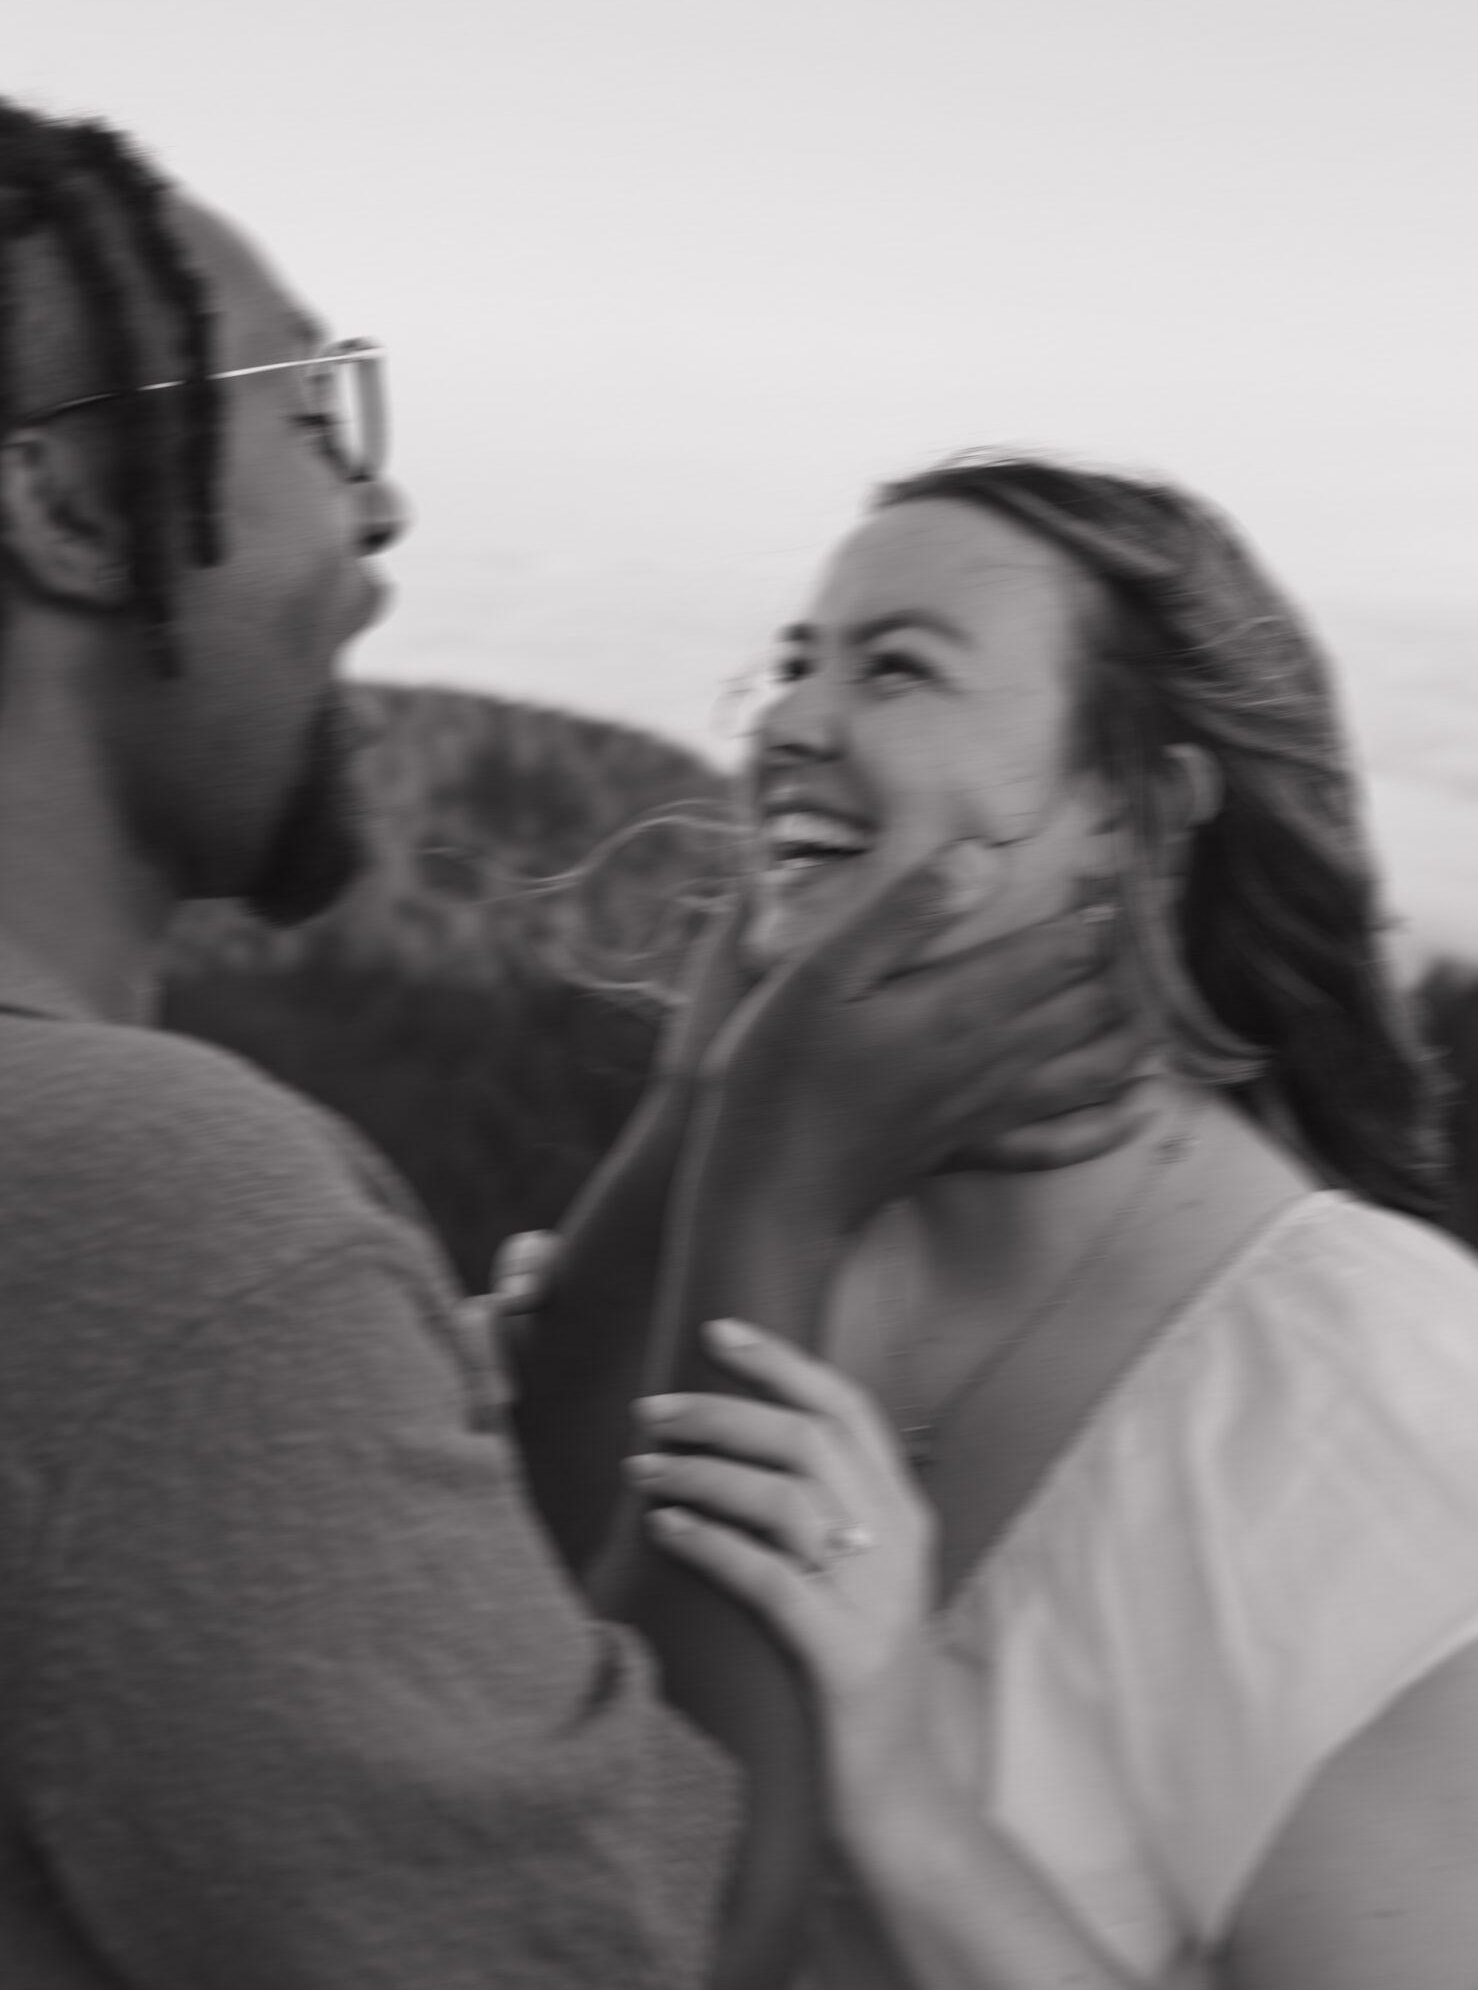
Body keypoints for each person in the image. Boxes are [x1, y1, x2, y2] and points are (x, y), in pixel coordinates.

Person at [0, 89, 1130, 1990]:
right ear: (68, 508)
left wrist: (698, 1121)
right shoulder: (113, 1203)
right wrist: (782, 1194)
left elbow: (422, 1625)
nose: (379, 507)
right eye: (310, 418)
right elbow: (634, 1947)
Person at [599, 458, 1478, 1988]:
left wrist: (907, 1797)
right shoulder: (745, 1265)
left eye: (894, 669)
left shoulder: (1372, 1419)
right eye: (796, 662)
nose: (787, 721)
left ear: (1138, 816)